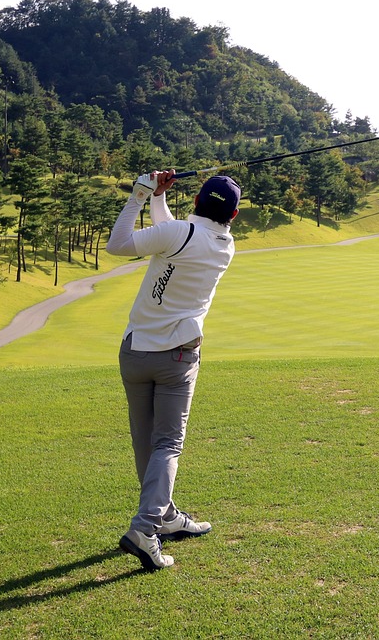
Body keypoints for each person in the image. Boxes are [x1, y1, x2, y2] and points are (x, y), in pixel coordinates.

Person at [106, 169, 240, 571]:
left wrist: (142, 194)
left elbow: (120, 245)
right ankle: (145, 528)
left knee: (146, 442)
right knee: (167, 444)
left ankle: (164, 517)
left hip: (134, 353)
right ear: (232, 217)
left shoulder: (178, 234)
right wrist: (154, 199)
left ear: (196, 201)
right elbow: (174, 234)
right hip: (177, 359)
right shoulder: (224, 246)